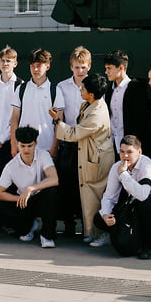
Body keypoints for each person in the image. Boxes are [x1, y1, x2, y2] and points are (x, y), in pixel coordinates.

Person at [53, 72, 115, 243]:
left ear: (92, 94)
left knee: (95, 196)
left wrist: (57, 121)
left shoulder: (96, 113)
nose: (80, 89)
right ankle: (90, 232)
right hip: (90, 155)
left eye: (83, 88)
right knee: (89, 195)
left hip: (96, 159)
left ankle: (100, 233)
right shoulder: (90, 104)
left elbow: (74, 133)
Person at [96, 135, 151, 259]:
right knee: (99, 218)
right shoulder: (116, 167)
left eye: (129, 152)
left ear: (139, 152)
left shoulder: (147, 166)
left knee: (144, 204)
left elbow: (143, 195)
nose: (125, 156)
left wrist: (123, 174)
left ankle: (148, 247)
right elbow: (109, 197)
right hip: (135, 207)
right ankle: (128, 238)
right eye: (122, 152)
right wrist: (106, 215)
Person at [0, 125, 60, 248]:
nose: (26, 150)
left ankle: (47, 235)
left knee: (51, 192)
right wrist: (19, 199)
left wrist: (30, 189)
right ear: (17, 145)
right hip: (23, 202)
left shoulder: (43, 155)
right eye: (22, 146)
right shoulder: (11, 166)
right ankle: (29, 226)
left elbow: (54, 179)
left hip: (41, 198)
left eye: (29, 146)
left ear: (35, 143)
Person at [54, 47, 92, 236]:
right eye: (77, 67)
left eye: (83, 67)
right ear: (71, 67)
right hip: (69, 142)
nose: (80, 71)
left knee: (87, 185)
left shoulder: (95, 85)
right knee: (68, 184)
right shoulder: (61, 87)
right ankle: (69, 224)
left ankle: (87, 226)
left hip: (88, 141)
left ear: (89, 67)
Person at [10, 48, 62, 155]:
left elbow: (59, 123)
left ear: (47, 66)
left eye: (39, 66)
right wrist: (14, 145)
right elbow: (15, 118)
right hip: (23, 149)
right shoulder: (21, 89)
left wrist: (54, 148)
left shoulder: (55, 91)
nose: (35, 69)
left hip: (46, 149)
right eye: (32, 66)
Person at [0, 46, 22, 171]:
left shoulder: (20, 86)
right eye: (2, 60)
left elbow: (17, 117)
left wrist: (1, 139)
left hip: (9, 143)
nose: (5, 63)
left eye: (8, 61)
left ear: (15, 63)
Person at [104, 50, 148, 146]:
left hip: (130, 146)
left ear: (121, 68)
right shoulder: (109, 90)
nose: (106, 72)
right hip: (111, 145)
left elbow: (140, 121)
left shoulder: (137, 89)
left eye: (109, 68)